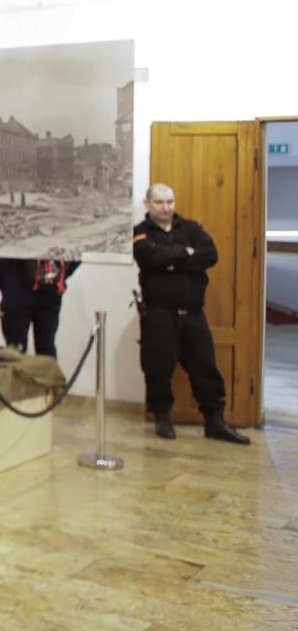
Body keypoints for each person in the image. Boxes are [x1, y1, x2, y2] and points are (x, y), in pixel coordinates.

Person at [134, 183, 250, 444]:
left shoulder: (191, 228)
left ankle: (215, 422)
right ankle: (162, 418)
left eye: (170, 202)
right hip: (159, 314)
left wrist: (171, 260)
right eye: (160, 203)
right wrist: (183, 254)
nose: (166, 208)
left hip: (194, 314)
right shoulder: (140, 233)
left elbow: (210, 254)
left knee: (205, 366)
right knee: (159, 368)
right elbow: (147, 257)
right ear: (147, 204)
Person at [0, 257, 79, 358]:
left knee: (42, 348)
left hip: (41, 288)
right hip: (20, 284)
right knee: (18, 348)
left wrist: (61, 273)